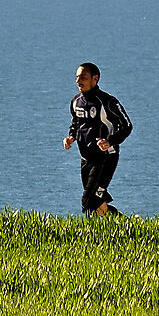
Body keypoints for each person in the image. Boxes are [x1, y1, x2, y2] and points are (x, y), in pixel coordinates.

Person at [63, 62, 132, 216]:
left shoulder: (108, 102)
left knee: (88, 203)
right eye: (77, 77)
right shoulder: (76, 101)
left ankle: (88, 236)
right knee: (97, 206)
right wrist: (71, 136)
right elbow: (76, 122)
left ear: (95, 79)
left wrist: (111, 141)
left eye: (83, 77)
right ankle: (127, 225)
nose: (78, 81)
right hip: (85, 159)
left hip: (105, 159)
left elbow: (127, 126)